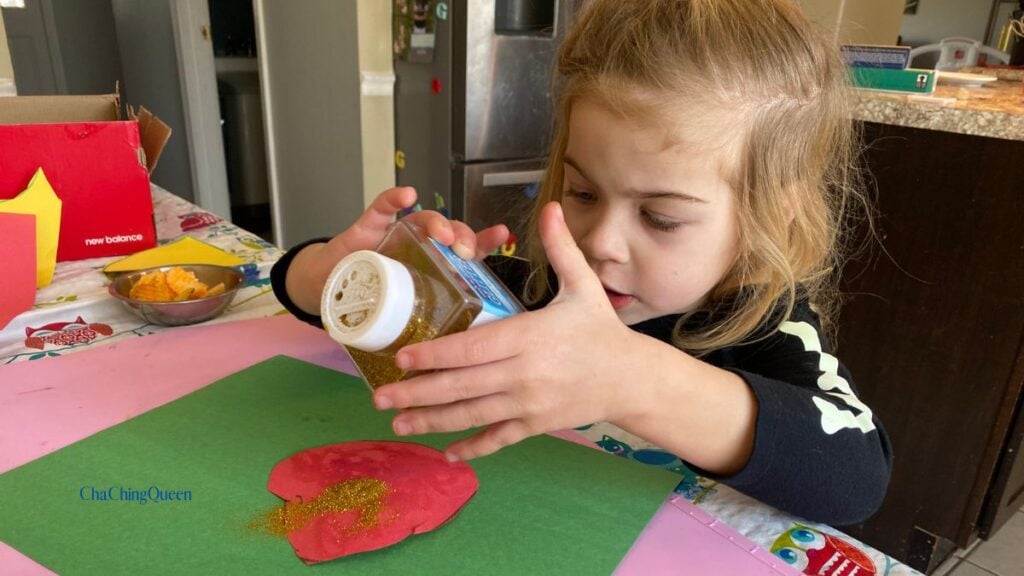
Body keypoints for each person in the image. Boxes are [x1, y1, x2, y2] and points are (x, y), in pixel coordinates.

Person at [271, 0, 891, 526]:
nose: (601, 244)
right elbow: (303, 293)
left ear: (768, 220)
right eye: (585, 194)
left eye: (661, 218)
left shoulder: (770, 329)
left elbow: (857, 476)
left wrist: (630, 377)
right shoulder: (537, 291)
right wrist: (341, 276)